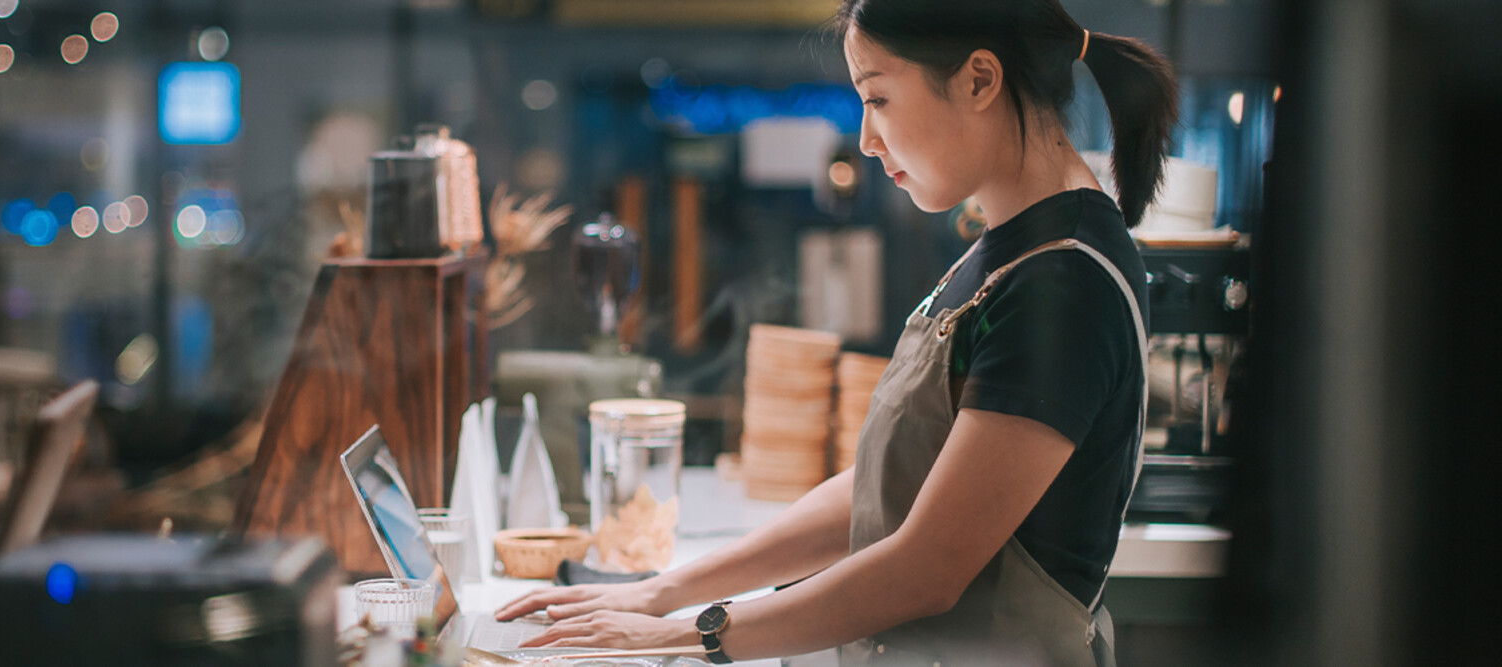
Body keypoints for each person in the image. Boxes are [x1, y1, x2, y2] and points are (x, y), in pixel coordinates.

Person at [495, 0, 1178, 664]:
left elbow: (927, 567)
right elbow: (883, 488)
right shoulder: (1007, 250)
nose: (865, 139)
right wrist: (666, 589)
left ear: (979, 79)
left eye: (876, 98)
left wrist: (685, 633)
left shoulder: (1064, 283)